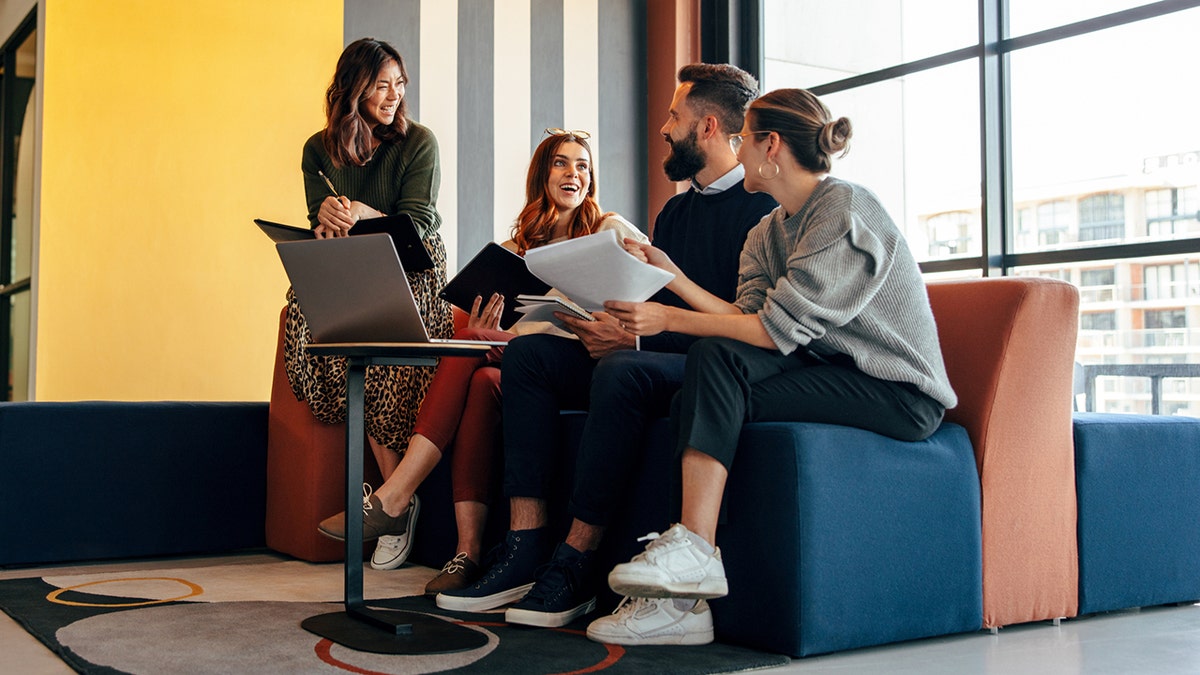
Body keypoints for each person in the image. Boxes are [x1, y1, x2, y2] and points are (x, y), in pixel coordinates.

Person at [585, 87, 958, 645]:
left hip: (896, 391)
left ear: (770, 145)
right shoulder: (768, 230)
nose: (735, 149)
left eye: (743, 138)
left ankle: (693, 555)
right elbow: (746, 317)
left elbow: (769, 331)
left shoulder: (844, 210)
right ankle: (684, 605)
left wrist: (668, 318)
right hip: (828, 370)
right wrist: (672, 277)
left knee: (712, 362)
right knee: (696, 392)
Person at [435, 64, 778, 632]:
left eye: (674, 116)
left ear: (709, 126)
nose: (664, 128)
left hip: (711, 364)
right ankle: (523, 546)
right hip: (647, 346)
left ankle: (575, 564)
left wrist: (635, 337)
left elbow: (739, 326)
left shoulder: (761, 211)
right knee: (529, 359)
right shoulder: (674, 211)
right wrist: (600, 325)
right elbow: (643, 297)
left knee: (621, 371)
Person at [315, 128, 648, 589]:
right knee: (474, 360)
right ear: (541, 176)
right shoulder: (514, 252)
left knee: (482, 356)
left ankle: (395, 497)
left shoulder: (608, 229)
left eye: (583, 166)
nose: (574, 173)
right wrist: (485, 331)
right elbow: (507, 333)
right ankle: (466, 553)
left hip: (588, 362)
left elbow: (648, 288)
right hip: (524, 367)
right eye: (561, 163)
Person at [284, 37, 452, 558]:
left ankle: (390, 507)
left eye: (400, 83)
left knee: (374, 341)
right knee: (308, 320)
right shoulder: (318, 148)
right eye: (382, 84)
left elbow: (420, 225)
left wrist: (360, 211)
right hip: (351, 264)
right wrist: (327, 221)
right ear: (354, 88)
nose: (394, 95)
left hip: (412, 264)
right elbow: (321, 219)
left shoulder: (418, 141)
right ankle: (395, 503)